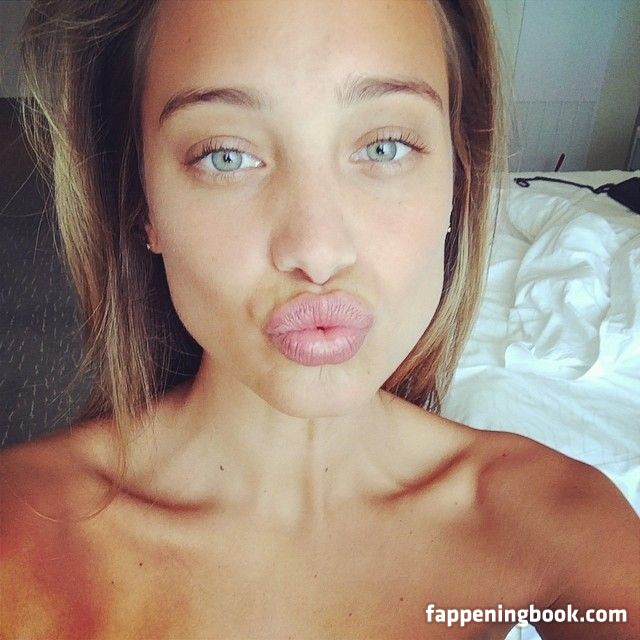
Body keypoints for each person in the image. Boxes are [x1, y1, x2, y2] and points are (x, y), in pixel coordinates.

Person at [1, 1, 637, 638]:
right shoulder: (22, 532)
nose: (318, 251)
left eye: (385, 146)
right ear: (143, 202)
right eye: (225, 156)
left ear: (457, 181)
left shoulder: (560, 522)